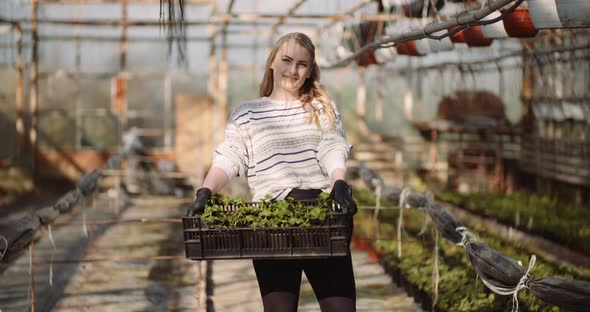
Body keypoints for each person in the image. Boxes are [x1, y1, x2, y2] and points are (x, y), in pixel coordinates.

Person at [186, 32, 357, 312]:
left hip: (322, 221)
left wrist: (339, 182)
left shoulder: (320, 107)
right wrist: (206, 190)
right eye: (286, 60)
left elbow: (332, 144)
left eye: (302, 64)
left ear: (310, 69)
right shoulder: (248, 114)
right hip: (271, 226)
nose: (293, 70)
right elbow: (230, 155)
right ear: (272, 63)